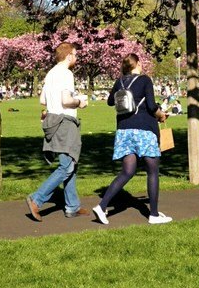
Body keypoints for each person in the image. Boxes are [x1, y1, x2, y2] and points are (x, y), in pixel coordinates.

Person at [92, 55, 171, 225]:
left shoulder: (120, 81)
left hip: (124, 131)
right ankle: (154, 214)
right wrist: (161, 114)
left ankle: (102, 205)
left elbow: (110, 102)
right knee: (152, 170)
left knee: (127, 171)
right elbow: (151, 106)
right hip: (144, 130)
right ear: (138, 64)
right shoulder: (145, 80)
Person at [27, 42, 83, 221]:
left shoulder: (51, 73)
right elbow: (67, 101)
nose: (76, 58)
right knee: (66, 166)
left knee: (71, 163)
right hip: (64, 121)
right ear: (68, 56)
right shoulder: (66, 73)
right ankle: (37, 199)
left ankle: (72, 206)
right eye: (75, 54)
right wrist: (80, 101)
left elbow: (43, 99)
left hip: (53, 120)